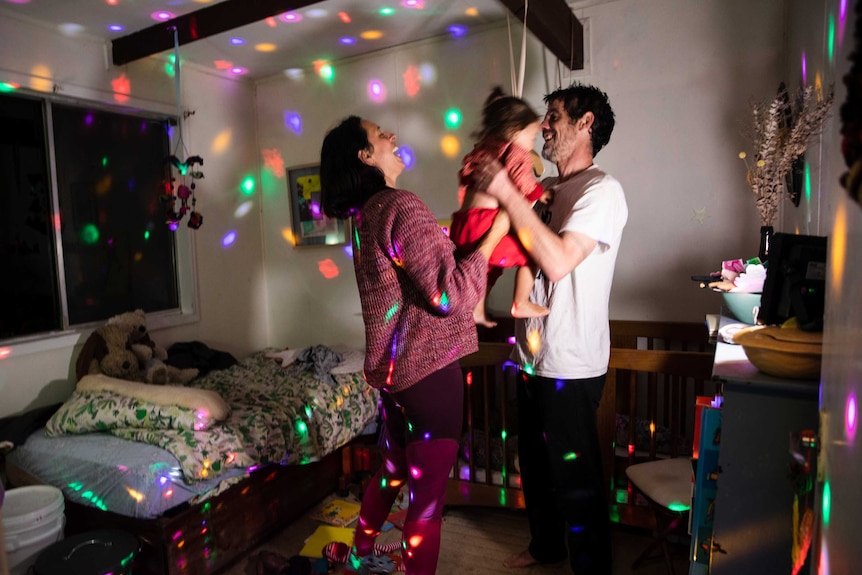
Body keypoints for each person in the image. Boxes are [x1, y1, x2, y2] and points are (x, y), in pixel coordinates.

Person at [318, 115, 509, 575]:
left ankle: (358, 555)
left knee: (390, 474)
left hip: (395, 377)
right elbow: (450, 295)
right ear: (366, 156)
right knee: (427, 503)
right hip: (428, 373)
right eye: (381, 133)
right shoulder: (399, 205)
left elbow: (417, 283)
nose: (392, 137)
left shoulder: (364, 218)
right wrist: (496, 236)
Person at [480, 82, 628, 574]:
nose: (544, 125)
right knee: (536, 470)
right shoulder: (549, 189)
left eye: (556, 117)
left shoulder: (601, 191)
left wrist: (505, 191)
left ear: (586, 124)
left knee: (577, 482)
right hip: (530, 356)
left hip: (571, 361)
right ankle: (546, 547)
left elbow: (560, 260)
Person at [450, 86, 551, 328]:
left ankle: (477, 310)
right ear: (515, 132)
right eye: (531, 137)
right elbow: (523, 181)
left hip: (463, 224)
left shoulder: (482, 149)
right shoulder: (516, 150)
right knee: (533, 253)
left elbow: (463, 176)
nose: (531, 143)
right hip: (485, 223)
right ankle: (520, 302)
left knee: (485, 269)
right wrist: (541, 193)